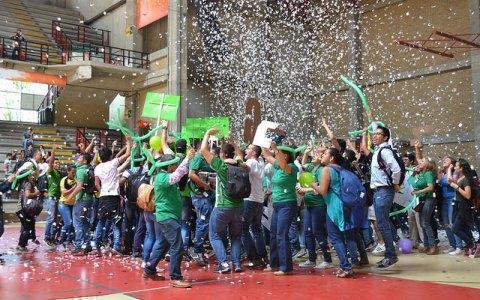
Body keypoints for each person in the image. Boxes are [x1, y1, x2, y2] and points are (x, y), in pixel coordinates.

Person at [143, 122, 194, 288]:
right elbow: (177, 176)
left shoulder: (165, 174)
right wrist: (187, 159)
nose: (175, 165)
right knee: (177, 246)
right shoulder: (162, 178)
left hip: (168, 216)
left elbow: (179, 173)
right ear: (168, 165)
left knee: (164, 245)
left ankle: (149, 269)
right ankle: (175, 276)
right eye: (173, 163)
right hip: (167, 217)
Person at [201, 129, 249, 273]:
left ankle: (223, 263)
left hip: (222, 207)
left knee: (214, 234)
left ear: (222, 154)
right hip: (239, 206)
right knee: (236, 236)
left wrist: (208, 133)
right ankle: (237, 264)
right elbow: (239, 154)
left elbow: (203, 150)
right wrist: (231, 141)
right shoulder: (241, 165)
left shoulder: (221, 167)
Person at [311, 147, 354, 278]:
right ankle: (344, 265)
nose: (322, 155)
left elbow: (323, 190)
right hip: (344, 204)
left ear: (331, 158)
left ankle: (346, 267)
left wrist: (312, 184)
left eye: (324, 154)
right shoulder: (340, 168)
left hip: (334, 206)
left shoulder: (327, 169)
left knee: (335, 237)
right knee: (341, 237)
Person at [262, 141, 298, 276]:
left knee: (281, 235)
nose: (275, 155)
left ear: (286, 156)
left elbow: (283, 164)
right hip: (277, 204)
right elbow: (266, 154)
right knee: (273, 234)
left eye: (279, 154)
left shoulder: (292, 167)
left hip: (287, 204)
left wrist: (276, 149)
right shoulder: (278, 167)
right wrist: (262, 139)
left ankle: (285, 267)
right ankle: (274, 264)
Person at [369, 125, 401, 269]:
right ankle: (391, 252)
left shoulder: (385, 151)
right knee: (383, 223)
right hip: (378, 192)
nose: (375, 136)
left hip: (384, 191)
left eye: (378, 134)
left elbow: (396, 169)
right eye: (374, 134)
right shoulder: (377, 151)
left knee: (383, 224)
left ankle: (391, 255)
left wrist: (395, 183)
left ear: (386, 137)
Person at [297, 143, 333, 269]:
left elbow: (318, 189)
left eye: (318, 154)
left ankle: (327, 259)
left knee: (318, 232)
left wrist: (303, 190)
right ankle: (311, 259)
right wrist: (306, 153)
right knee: (308, 232)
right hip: (309, 205)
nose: (315, 155)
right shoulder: (312, 167)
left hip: (318, 205)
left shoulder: (322, 170)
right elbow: (302, 167)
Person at [93, 137, 131, 254]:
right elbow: (128, 154)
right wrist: (128, 142)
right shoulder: (113, 163)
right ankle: (116, 246)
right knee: (116, 222)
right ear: (110, 156)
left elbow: (96, 183)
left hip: (103, 196)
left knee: (101, 222)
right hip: (114, 196)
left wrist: (103, 191)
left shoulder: (97, 167)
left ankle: (97, 246)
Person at [188, 140, 215, 266]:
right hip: (200, 196)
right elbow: (191, 175)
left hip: (207, 196)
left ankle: (200, 247)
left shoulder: (205, 159)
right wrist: (204, 185)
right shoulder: (198, 158)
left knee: (204, 222)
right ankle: (197, 250)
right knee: (203, 223)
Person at [241, 144, 268, 267]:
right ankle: (263, 256)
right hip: (259, 200)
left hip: (249, 200)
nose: (246, 150)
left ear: (253, 153)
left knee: (243, 230)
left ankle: (254, 257)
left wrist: (235, 162)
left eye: (248, 148)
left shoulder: (251, 162)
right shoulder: (261, 162)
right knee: (257, 229)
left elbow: (245, 167)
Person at [67, 153, 95, 256]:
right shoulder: (89, 168)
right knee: (86, 223)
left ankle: (78, 246)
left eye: (80, 158)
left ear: (84, 161)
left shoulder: (80, 171)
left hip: (81, 200)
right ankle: (88, 245)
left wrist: (70, 197)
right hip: (90, 199)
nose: (78, 159)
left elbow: (79, 187)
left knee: (78, 223)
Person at [408, 158, 437, 255]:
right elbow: (411, 182)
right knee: (422, 223)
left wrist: (419, 191)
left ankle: (432, 245)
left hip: (429, 199)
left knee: (425, 223)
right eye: (419, 162)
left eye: (422, 162)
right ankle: (426, 245)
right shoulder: (421, 174)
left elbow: (430, 187)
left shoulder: (428, 173)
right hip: (421, 200)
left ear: (427, 164)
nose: (419, 163)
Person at [448, 159, 476, 256]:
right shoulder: (459, 177)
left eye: (456, 166)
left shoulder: (466, 179)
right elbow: (449, 180)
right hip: (457, 205)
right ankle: (470, 246)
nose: (455, 167)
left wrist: (456, 187)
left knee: (455, 229)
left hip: (464, 206)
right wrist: (449, 169)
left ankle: (471, 244)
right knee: (462, 227)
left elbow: (468, 195)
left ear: (461, 168)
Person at [438, 156, 463, 255]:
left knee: (453, 223)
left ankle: (459, 246)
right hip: (444, 200)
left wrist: (449, 169)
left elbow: (450, 181)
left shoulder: (455, 172)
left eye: (447, 159)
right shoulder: (443, 173)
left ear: (452, 163)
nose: (444, 160)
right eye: (443, 159)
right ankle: (453, 245)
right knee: (446, 224)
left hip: (453, 199)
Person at [44, 147, 62, 247]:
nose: (57, 165)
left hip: (58, 198)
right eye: (56, 163)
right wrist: (53, 152)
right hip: (52, 198)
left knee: (57, 219)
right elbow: (50, 164)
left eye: (58, 163)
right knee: (51, 218)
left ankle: (52, 237)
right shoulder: (50, 171)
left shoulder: (59, 174)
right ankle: (47, 237)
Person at [58, 165, 76, 247]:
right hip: (64, 204)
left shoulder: (76, 180)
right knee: (68, 223)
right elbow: (64, 193)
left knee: (73, 224)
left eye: (75, 172)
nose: (74, 174)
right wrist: (75, 187)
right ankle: (61, 240)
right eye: (72, 172)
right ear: (68, 172)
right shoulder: (64, 180)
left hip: (73, 205)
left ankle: (69, 240)